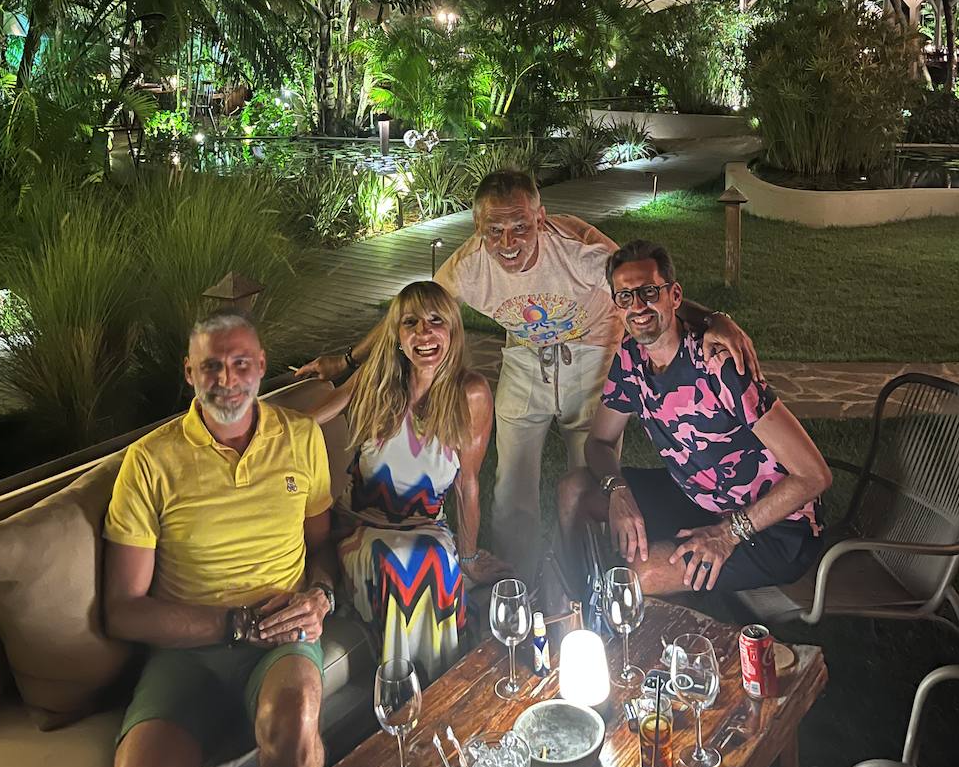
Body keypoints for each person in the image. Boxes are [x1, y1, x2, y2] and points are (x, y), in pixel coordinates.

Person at [301, 169, 760, 581]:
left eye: (520, 226)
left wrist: (713, 318)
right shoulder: (468, 265)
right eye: (494, 230)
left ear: (541, 220)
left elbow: (645, 291)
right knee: (511, 482)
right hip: (525, 355)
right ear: (478, 228)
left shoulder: (582, 252)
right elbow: (413, 308)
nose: (508, 243)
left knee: (588, 477)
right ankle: (515, 579)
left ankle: (585, 578)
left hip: (592, 349)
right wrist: (348, 360)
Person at [103, 312, 337, 767]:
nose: (226, 381)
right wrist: (235, 624)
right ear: (189, 372)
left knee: (294, 726)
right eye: (211, 367)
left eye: (240, 364)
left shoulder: (300, 437)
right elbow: (123, 608)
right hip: (188, 653)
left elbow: (323, 546)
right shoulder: (149, 461)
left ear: (261, 366)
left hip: (280, 639)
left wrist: (321, 596)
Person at [558, 238, 831, 597]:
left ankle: (613, 612)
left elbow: (814, 476)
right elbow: (600, 442)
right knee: (574, 491)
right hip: (699, 498)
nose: (638, 306)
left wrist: (728, 533)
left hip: (775, 527)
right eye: (626, 297)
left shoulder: (717, 363)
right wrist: (617, 490)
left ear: (675, 296)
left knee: (640, 575)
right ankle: (574, 607)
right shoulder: (630, 357)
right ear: (616, 307)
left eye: (649, 292)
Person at [311, 281, 507, 683]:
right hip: (361, 527)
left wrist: (467, 559)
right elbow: (312, 419)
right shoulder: (378, 382)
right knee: (411, 560)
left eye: (436, 321)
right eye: (410, 323)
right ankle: (410, 690)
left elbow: (467, 485)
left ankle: (429, 690)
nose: (423, 333)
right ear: (397, 337)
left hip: (426, 527)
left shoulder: (470, 394)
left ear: (453, 330)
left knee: (430, 555)